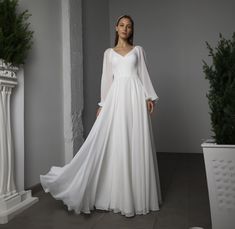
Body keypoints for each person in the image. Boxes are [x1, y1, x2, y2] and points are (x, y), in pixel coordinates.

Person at [40, 14, 162, 218]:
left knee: (136, 142)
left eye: (129, 26)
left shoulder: (138, 51)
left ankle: (137, 195)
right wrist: (103, 104)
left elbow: (143, 75)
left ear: (132, 30)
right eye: (122, 25)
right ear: (116, 28)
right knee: (116, 141)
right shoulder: (109, 53)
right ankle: (116, 194)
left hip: (134, 98)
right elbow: (106, 80)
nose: (125, 29)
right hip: (116, 100)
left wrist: (149, 97)